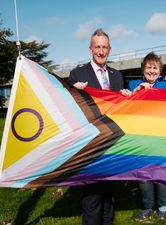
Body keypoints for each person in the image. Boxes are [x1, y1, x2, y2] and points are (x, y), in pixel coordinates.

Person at [68, 28, 124, 225]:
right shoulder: (77, 74)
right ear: (90, 49)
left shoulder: (117, 76)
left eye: (104, 47)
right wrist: (74, 92)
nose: (101, 51)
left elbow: (122, 108)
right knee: (92, 193)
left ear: (110, 49)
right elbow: (68, 105)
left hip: (113, 140)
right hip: (91, 141)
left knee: (109, 191)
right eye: (97, 47)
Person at [121, 52, 166, 221]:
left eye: (155, 67)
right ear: (143, 70)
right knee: (144, 176)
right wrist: (135, 92)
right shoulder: (134, 84)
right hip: (141, 139)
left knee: (161, 173)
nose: (152, 71)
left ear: (160, 70)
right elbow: (124, 106)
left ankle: (164, 206)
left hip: (162, 139)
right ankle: (148, 206)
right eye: (148, 67)